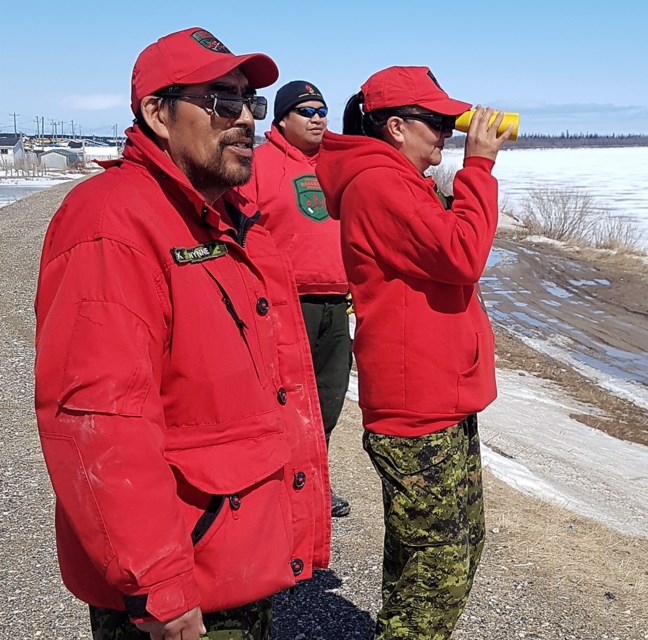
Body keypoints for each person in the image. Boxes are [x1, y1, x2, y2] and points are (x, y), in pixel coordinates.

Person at [33, 28, 331, 640]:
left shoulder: (225, 219)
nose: (246, 118)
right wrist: (160, 588)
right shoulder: (112, 222)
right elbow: (99, 420)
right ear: (157, 114)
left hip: (231, 563)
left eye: (252, 102)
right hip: (179, 588)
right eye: (222, 100)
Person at [315, 65, 513, 639]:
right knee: (436, 570)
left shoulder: (400, 183)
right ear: (396, 127)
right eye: (438, 122)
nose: (448, 133)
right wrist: (479, 168)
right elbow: (462, 255)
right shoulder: (380, 184)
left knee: (446, 550)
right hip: (416, 410)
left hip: (440, 397)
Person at [236, 80, 352, 518]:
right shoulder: (260, 163)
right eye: (306, 110)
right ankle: (274, 487)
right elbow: (241, 227)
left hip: (336, 304)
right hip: (284, 304)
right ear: (282, 118)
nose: (318, 117)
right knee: (284, 399)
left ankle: (313, 483)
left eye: (322, 109)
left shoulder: (335, 166)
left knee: (328, 398)